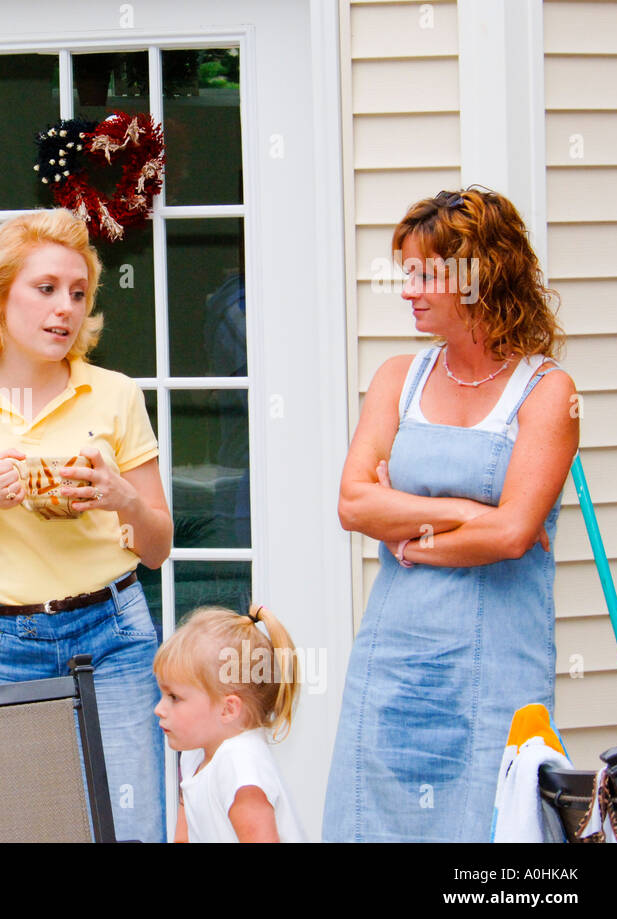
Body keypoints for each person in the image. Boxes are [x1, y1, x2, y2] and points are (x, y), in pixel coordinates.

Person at [0, 209, 173, 842]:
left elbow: (156, 546)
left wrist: (120, 498)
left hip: (114, 636)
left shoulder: (115, 395)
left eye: (78, 294)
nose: (66, 309)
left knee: (128, 828)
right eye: (45, 289)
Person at [324, 187, 577, 842]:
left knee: (490, 838)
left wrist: (405, 532)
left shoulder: (546, 393)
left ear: (481, 276)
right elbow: (353, 502)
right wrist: (467, 512)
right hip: (396, 664)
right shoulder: (397, 379)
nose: (407, 289)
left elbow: (515, 532)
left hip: (496, 668)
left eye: (424, 274)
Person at [154, 604, 306, 843]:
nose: (159, 709)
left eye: (174, 697)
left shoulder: (240, 764)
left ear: (228, 709)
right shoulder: (195, 755)